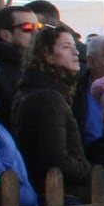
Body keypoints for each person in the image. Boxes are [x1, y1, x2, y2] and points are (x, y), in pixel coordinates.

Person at [13, 24, 89, 194]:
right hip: (60, 193)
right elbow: (56, 159)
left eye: (75, 47)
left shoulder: (36, 91)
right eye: (66, 47)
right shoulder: (50, 99)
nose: (76, 52)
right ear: (47, 55)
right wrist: (87, 170)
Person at [0, 5, 40, 122]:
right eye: (27, 27)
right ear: (6, 35)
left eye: (39, 27)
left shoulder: (40, 64)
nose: (36, 32)